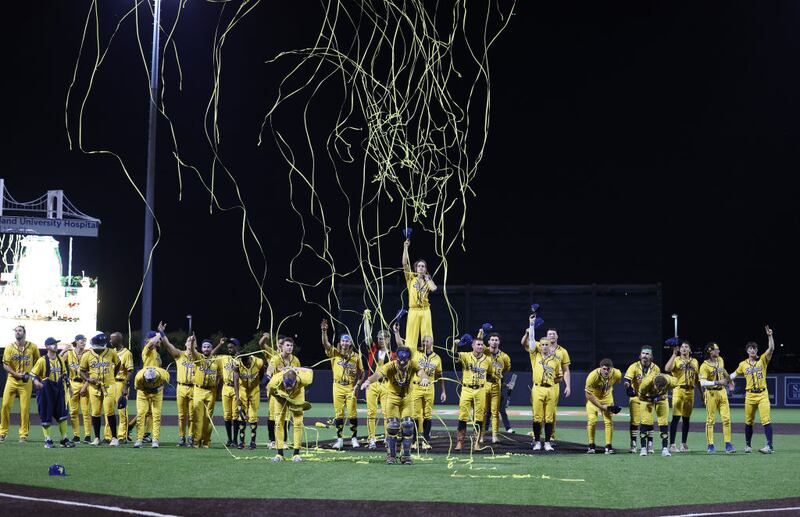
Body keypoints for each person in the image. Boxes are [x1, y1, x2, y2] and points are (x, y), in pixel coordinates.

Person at [361, 346, 430, 464]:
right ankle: (391, 456)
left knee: (408, 426)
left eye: (405, 362)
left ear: (408, 360)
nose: (402, 364)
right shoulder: (390, 365)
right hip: (392, 399)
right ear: (396, 358)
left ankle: (406, 455)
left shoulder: (413, 364)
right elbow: (378, 374)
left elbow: (421, 372)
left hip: (407, 399)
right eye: (399, 361)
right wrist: (368, 381)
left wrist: (424, 378)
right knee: (392, 427)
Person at [729, 325, 776, 454]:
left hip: (762, 394)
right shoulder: (743, 364)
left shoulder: (762, 360)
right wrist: (727, 380)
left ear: (757, 350)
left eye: (754, 348)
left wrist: (770, 336)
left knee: (766, 419)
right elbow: (733, 375)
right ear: (747, 351)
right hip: (749, 395)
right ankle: (748, 445)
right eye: (750, 348)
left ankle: (769, 446)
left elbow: (771, 348)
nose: (753, 350)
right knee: (748, 421)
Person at [321, 319, 364, 449]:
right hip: (337, 386)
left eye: (347, 340)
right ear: (340, 342)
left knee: (352, 413)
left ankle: (354, 438)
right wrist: (324, 331)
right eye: (343, 340)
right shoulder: (335, 353)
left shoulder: (356, 356)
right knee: (339, 414)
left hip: (350, 387)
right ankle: (339, 439)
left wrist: (357, 385)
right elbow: (325, 344)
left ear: (350, 343)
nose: (345, 343)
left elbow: (361, 373)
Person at [29, 337, 75, 448]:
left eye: (56, 344)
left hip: (59, 390)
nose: (56, 345)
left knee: (63, 414)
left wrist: (70, 387)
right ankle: (48, 439)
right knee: (46, 413)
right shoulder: (42, 360)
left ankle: (63, 439)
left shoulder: (60, 359)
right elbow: (32, 374)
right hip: (46, 391)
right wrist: (36, 382)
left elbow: (64, 374)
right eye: (53, 344)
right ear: (47, 346)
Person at [79, 333, 122, 446]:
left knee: (109, 409)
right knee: (96, 412)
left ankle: (114, 438)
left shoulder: (111, 352)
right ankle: (97, 438)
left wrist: (113, 375)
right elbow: (81, 371)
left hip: (109, 385)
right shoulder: (87, 355)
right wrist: (88, 379)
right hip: (94, 386)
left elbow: (118, 363)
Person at [451, 333, 493, 451]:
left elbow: (489, 374)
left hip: (480, 389)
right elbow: (453, 355)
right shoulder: (465, 356)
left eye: (481, 345)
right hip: (467, 389)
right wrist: (455, 345)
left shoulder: (487, 360)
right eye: (478, 344)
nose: (480, 346)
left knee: (479, 417)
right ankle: (460, 442)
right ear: (473, 346)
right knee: (463, 416)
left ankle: (476, 442)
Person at [522, 333, 561, 451]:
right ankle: (538, 441)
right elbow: (530, 342)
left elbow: (559, 376)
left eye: (546, 345)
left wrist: (550, 379)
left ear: (550, 346)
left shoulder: (556, 360)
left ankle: (548, 442)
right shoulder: (535, 356)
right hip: (538, 388)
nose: (544, 346)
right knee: (537, 417)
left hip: (550, 388)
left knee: (549, 418)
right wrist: (531, 325)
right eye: (542, 344)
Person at [0, 325, 40, 443]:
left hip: (26, 382)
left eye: (20, 330)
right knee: (5, 406)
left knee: (24, 408)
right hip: (12, 380)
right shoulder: (9, 347)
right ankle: (2, 433)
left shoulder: (32, 347)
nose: (17, 332)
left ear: (24, 332)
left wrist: (33, 375)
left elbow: (39, 362)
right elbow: (5, 364)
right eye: (16, 331)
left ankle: (23, 435)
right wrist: (15, 373)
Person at [267, 367, 314, 462]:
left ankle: (296, 454)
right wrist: (284, 399)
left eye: (290, 387)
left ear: (295, 380)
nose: (289, 390)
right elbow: (271, 391)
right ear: (283, 381)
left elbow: (310, 371)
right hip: (281, 397)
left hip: (297, 396)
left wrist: (297, 368)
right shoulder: (274, 381)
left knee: (298, 423)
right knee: (278, 423)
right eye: (286, 387)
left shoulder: (304, 379)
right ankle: (279, 454)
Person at [159, 331, 197, 447]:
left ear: (196, 345)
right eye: (189, 340)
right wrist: (162, 333)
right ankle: (182, 437)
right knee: (181, 415)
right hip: (181, 387)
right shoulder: (180, 354)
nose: (190, 342)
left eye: (193, 341)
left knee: (192, 415)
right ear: (185, 344)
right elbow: (168, 345)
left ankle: (191, 437)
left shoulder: (199, 357)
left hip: (194, 388)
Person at [664, 339, 701, 453]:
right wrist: (674, 354)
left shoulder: (695, 361)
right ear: (679, 349)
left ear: (690, 349)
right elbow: (667, 369)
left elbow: (696, 379)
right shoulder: (676, 359)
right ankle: (672, 444)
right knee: (676, 418)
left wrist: (702, 392)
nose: (684, 348)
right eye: (682, 347)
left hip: (690, 391)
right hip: (678, 390)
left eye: (686, 346)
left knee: (686, 419)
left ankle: (683, 444)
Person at [698, 342, 734, 454]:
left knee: (726, 419)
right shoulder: (704, 366)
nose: (718, 351)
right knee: (710, 420)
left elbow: (723, 371)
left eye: (718, 349)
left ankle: (728, 444)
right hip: (711, 394)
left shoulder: (720, 360)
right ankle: (710, 445)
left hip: (722, 392)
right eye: (716, 349)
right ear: (710, 351)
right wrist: (718, 381)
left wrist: (730, 381)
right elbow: (702, 383)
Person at [623, 346, 661, 454]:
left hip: (648, 399)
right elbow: (627, 380)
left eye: (647, 354)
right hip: (636, 397)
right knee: (634, 421)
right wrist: (628, 387)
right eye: (643, 353)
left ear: (651, 356)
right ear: (640, 355)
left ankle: (650, 444)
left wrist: (656, 395)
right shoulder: (634, 366)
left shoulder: (656, 368)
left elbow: (658, 383)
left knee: (648, 421)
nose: (645, 355)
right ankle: (633, 443)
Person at [402, 238, 437, 351]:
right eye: (419, 266)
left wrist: (428, 279)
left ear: (425, 269)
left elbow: (434, 288)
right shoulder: (411, 278)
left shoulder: (428, 281)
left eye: (423, 266)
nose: (421, 268)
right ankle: (410, 357)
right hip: (413, 310)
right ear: (415, 268)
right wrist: (405, 247)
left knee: (427, 335)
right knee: (411, 335)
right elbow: (404, 263)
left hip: (425, 310)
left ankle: (428, 357)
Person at [265, 336, 300, 449]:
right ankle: (272, 441)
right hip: (276, 392)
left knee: (286, 417)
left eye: (291, 345)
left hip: (289, 393)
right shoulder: (275, 358)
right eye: (287, 345)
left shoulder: (295, 360)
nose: (290, 348)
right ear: (281, 347)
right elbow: (270, 369)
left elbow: (298, 374)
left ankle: (283, 441)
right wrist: (268, 376)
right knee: (272, 417)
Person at [584, 358, 622, 454]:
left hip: (607, 398)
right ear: (600, 368)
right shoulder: (593, 376)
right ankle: (591, 445)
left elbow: (618, 381)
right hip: (594, 398)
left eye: (608, 369)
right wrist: (601, 407)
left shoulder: (617, 373)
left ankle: (608, 446)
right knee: (592, 420)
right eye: (604, 369)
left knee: (608, 421)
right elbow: (588, 395)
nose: (606, 371)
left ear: (612, 369)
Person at [365, 329, 394, 449]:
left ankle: (388, 438)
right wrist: (366, 320)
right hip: (372, 384)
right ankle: (371, 438)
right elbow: (367, 337)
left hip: (386, 384)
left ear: (388, 339)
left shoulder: (392, 355)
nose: (381, 340)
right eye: (379, 338)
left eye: (383, 338)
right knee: (371, 412)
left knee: (386, 413)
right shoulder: (373, 350)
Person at [637, 373, 678, 457]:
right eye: (657, 387)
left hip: (662, 400)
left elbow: (677, 382)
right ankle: (643, 448)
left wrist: (663, 395)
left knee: (663, 421)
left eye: (661, 388)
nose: (658, 390)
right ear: (654, 383)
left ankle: (665, 449)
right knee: (645, 421)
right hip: (647, 399)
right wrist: (656, 398)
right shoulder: (646, 383)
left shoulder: (670, 381)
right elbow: (640, 397)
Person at [191, 339, 222, 448]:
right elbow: (192, 352)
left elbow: (220, 376)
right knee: (198, 417)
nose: (206, 348)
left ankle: (206, 442)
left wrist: (217, 392)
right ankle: (196, 441)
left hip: (211, 391)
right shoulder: (199, 357)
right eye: (204, 346)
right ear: (201, 349)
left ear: (211, 348)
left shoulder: (217, 360)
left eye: (209, 346)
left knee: (208, 418)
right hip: (199, 390)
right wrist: (191, 343)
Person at [235, 339, 266, 449]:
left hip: (254, 390)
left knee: (253, 416)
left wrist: (259, 383)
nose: (246, 364)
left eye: (247, 362)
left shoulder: (258, 361)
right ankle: (241, 442)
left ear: (249, 358)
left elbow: (262, 372)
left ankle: (253, 442)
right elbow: (235, 378)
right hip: (243, 389)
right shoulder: (238, 362)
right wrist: (237, 396)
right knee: (242, 416)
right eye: (244, 363)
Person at [61, 334, 92, 443]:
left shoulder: (89, 353)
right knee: (73, 412)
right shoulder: (69, 353)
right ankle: (76, 435)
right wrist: (63, 350)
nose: (83, 342)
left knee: (86, 411)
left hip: (85, 383)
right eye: (81, 340)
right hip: (73, 383)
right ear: (76, 342)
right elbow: (58, 362)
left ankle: (88, 436)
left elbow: (91, 371)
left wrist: (86, 386)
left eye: (85, 340)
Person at [482, 331, 510, 444]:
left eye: (496, 340)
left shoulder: (504, 356)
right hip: (484, 383)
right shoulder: (484, 352)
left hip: (496, 384)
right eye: (492, 340)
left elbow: (507, 368)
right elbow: (476, 345)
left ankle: (494, 435)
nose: (494, 342)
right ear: (488, 341)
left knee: (494, 412)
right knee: (483, 412)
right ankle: (481, 435)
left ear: (499, 342)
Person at [133, 366, 170, 448]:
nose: (150, 383)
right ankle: (139, 439)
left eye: (151, 381)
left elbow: (166, 384)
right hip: (142, 393)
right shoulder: (139, 377)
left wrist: (158, 389)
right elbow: (137, 388)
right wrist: (148, 391)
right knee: (140, 414)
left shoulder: (163, 375)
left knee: (156, 415)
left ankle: (155, 440)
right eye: (148, 381)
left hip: (157, 394)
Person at [107, 332, 133, 444]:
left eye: (111, 339)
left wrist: (126, 387)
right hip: (110, 383)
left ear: (118, 340)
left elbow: (130, 371)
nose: (110, 341)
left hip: (121, 383)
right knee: (109, 410)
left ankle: (122, 436)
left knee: (122, 410)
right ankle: (108, 436)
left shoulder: (127, 353)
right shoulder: (111, 352)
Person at [220, 338, 243, 447]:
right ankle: (229, 439)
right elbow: (211, 355)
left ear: (237, 347)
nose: (229, 349)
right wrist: (220, 344)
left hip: (237, 388)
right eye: (228, 347)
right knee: (227, 415)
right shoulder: (224, 358)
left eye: (232, 347)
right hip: (226, 387)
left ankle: (235, 440)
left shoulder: (241, 359)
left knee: (235, 415)